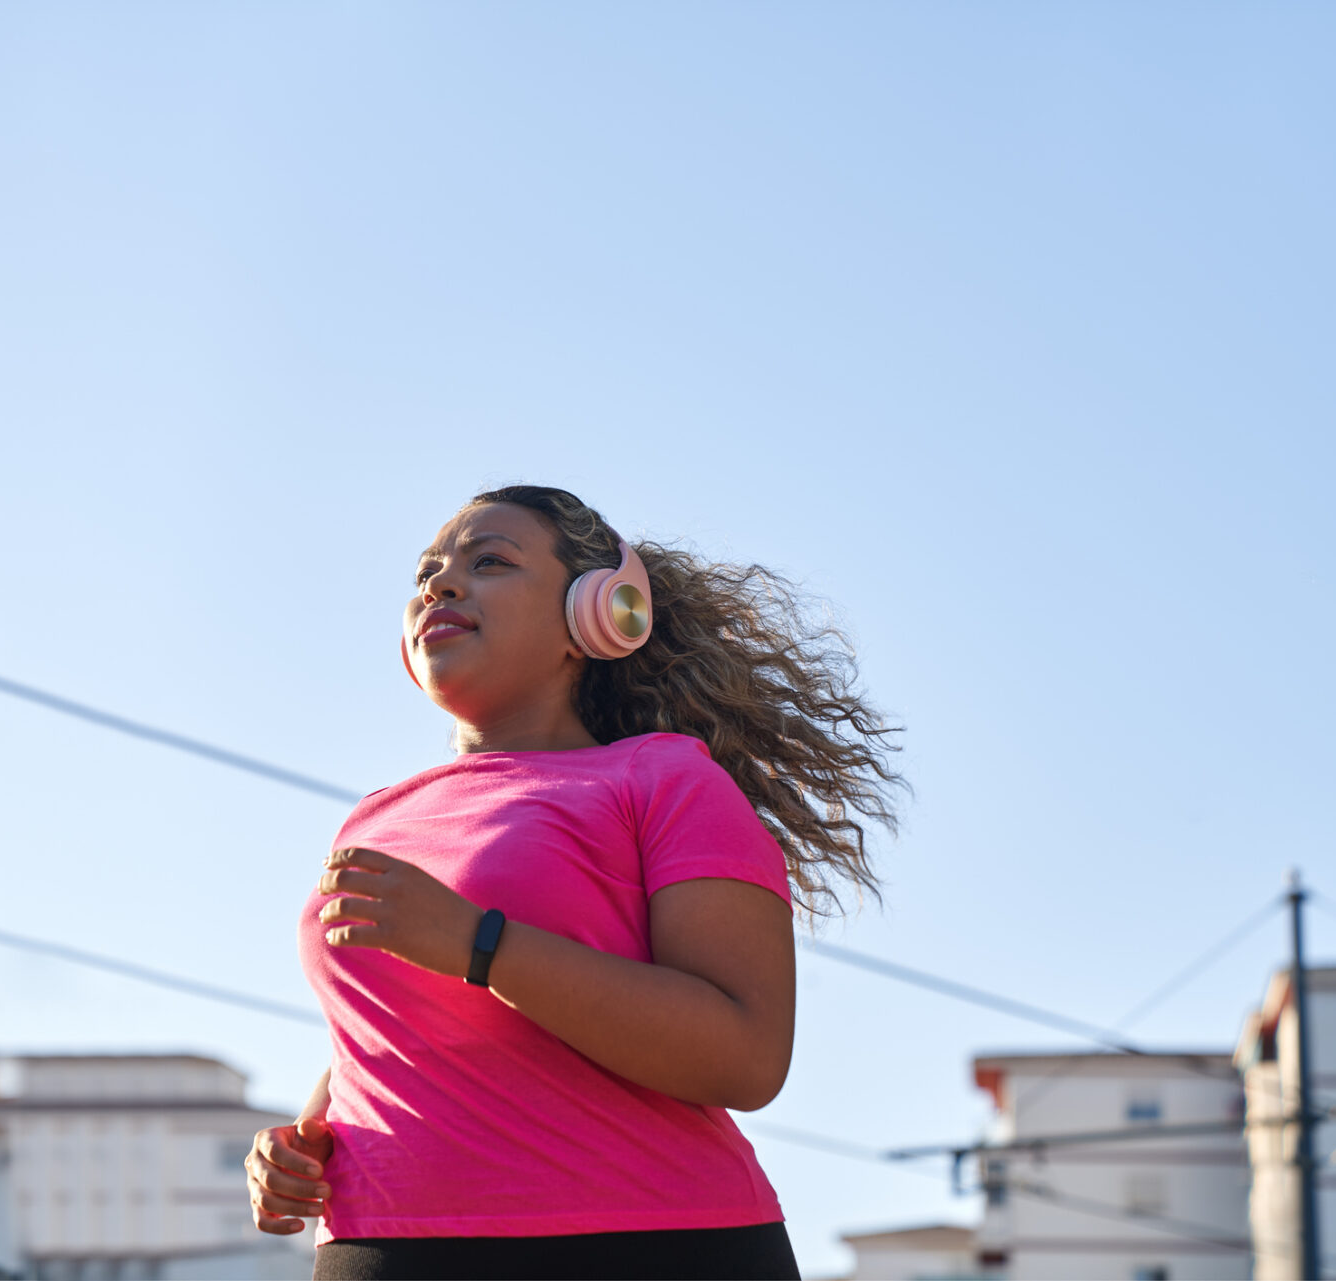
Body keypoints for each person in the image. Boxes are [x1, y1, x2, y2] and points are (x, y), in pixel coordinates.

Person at [244, 485, 904, 1280]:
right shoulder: (372, 818)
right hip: (382, 1245)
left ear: (595, 615)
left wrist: (479, 942)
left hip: (645, 1245)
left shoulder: (664, 780)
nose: (440, 584)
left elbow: (747, 1053)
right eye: (427, 572)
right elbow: (390, 1028)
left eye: (489, 562)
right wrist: (304, 1137)